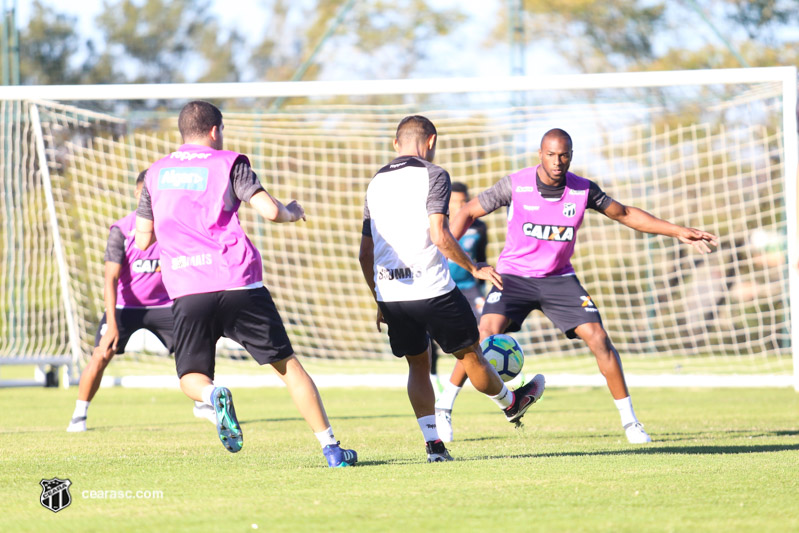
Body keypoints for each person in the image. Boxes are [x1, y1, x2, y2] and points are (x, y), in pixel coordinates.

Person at [435, 128, 718, 444]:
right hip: (513, 276)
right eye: (551, 155)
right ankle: (443, 409)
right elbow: (469, 211)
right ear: (541, 155)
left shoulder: (583, 190)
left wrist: (676, 230)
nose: (558, 162)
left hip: (559, 279)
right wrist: (444, 251)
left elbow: (624, 213)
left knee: (598, 338)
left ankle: (631, 423)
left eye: (564, 155)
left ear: (571, 155)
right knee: (483, 334)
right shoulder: (516, 184)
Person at [134, 101, 356, 467]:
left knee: (191, 377)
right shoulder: (229, 163)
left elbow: (143, 241)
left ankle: (213, 393)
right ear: (214, 131)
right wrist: (292, 212)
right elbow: (270, 211)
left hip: (188, 288)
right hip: (238, 282)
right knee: (288, 367)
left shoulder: (156, 174)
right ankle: (331, 449)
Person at [358, 115, 545, 462]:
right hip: (432, 289)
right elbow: (439, 235)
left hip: (391, 293)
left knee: (418, 365)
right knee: (470, 354)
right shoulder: (434, 174)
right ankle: (511, 403)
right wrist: (475, 267)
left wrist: (379, 301)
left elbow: (365, 253)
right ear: (430, 141)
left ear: (395, 144)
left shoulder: (375, 183)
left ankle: (434, 446)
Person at [66, 171, 215, 432]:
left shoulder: (173, 227)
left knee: (196, 345)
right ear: (138, 194)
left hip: (163, 305)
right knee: (102, 354)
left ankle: (202, 402)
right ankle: (79, 414)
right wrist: (112, 323)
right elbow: (110, 279)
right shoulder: (121, 231)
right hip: (125, 307)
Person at [429, 182, 489, 390]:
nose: (459, 205)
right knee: (428, 335)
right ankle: (433, 379)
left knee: (487, 327)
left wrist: (481, 287)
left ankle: (499, 374)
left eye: (463, 201)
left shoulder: (479, 227)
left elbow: (481, 257)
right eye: (454, 201)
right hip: (441, 286)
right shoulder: (435, 226)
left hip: (469, 286)